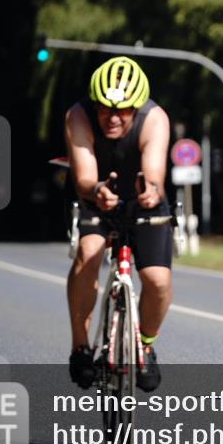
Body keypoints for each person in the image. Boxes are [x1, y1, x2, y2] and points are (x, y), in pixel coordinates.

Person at [64, 56, 172, 391]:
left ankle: (146, 344)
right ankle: (81, 347)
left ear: (136, 107)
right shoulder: (78, 116)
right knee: (89, 251)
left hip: (143, 200)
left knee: (156, 280)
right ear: (94, 104)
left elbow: (154, 172)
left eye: (123, 110)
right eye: (105, 109)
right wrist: (97, 191)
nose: (112, 117)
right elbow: (84, 175)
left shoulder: (155, 119)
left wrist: (150, 192)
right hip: (96, 195)